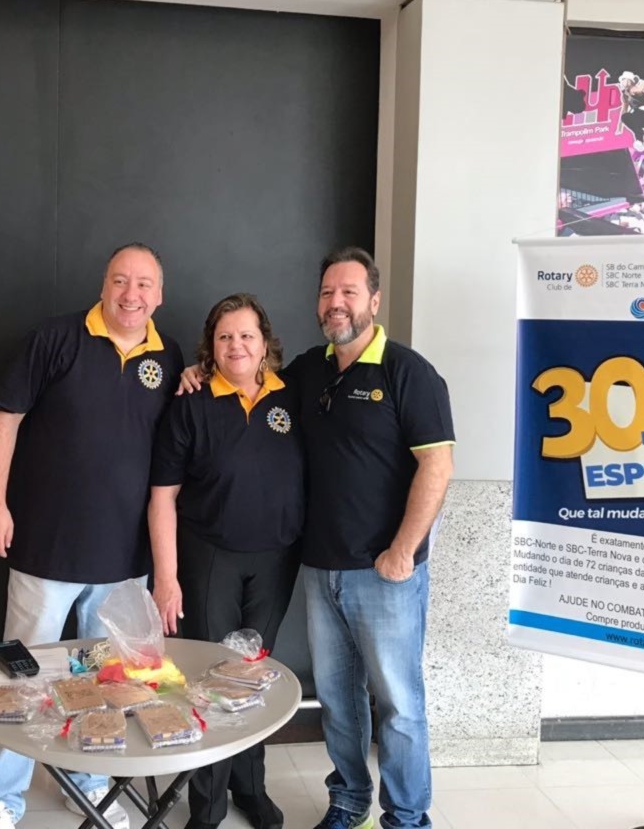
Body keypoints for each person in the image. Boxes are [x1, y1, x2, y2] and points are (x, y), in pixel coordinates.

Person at [180, 247, 454, 829]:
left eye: (349, 292)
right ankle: (349, 801)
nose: (337, 303)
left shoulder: (408, 372)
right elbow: (245, 374)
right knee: (338, 701)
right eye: (328, 292)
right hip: (320, 570)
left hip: (385, 574)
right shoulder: (308, 372)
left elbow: (437, 465)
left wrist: (403, 550)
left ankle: (407, 817)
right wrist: (198, 372)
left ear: (373, 300)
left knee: (399, 704)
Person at [0, 243, 183, 829]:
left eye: (144, 284)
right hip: (47, 549)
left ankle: (89, 787)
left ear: (159, 295)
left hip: (122, 559)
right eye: (120, 281)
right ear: (103, 285)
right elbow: (3, 421)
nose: (131, 294)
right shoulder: (55, 338)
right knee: (20, 676)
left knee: (101, 680)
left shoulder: (169, 357)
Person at [148, 293, 304, 829]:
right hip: (209, 556)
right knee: (212, 680)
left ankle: (250, 788)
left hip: (276, 559)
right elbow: (163, 496)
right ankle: (208, 806)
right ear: (210, 348)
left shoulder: (293, 394)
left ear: (265, 343)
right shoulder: (190, 403)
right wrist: (166, 577)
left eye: (246, 335)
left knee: (254, 675)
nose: (236, 345)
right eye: (225, 337)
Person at [617, 71, 644, 152]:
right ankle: (640, 139)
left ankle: (640, 135)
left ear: (629, 81)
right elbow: (624, 110)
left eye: (624, 79)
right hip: (638, 118)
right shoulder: (625, 95)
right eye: (622, 80)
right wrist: (619, 127)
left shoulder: (633, 88)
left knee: (636, 112)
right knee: (625, 116)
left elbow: (639, 90)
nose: (622, 82)